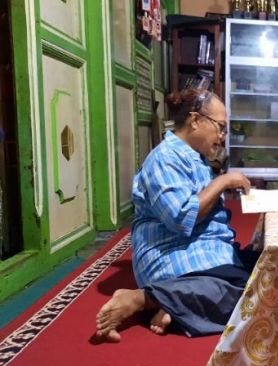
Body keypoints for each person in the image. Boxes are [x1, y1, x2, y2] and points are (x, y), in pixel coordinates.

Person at [95, 89, 256, 342]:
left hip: (203, 248)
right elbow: (183, 218)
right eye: (220, 128)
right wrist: (222, 182)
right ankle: (142, 299)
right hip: (174, 253)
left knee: (270, 267)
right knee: (252, 294)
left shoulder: (195, 157)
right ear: (195, 120)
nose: (222, 137)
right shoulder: (163, 158)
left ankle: (175, 305)